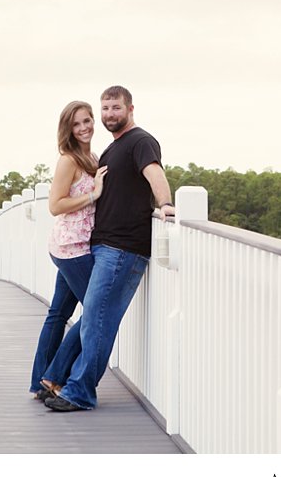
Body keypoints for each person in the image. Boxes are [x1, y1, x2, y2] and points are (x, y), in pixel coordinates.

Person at [45, 85, 175, 412]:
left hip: (123, 250)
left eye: (115, 108)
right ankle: (57, 379)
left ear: (130, 109)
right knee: (92, 318)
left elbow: (155, 173)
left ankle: (79, 393)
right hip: (102, 248)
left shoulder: (140, 141)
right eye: (105, 109)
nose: (109, 115)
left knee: (97, 319)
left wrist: (167, 204)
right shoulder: (111, 149)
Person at [29, 101, 107, 399]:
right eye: (77, 124)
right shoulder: (69, 160)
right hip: (70, 248)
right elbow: (55, 205)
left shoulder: (92, 157)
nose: (85, 127)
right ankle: (55, 375)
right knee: (96, 311)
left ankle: (41, 383)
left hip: (80, 244)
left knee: (58, 314)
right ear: (68, 129)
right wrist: (92, 195)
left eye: (88, 121)